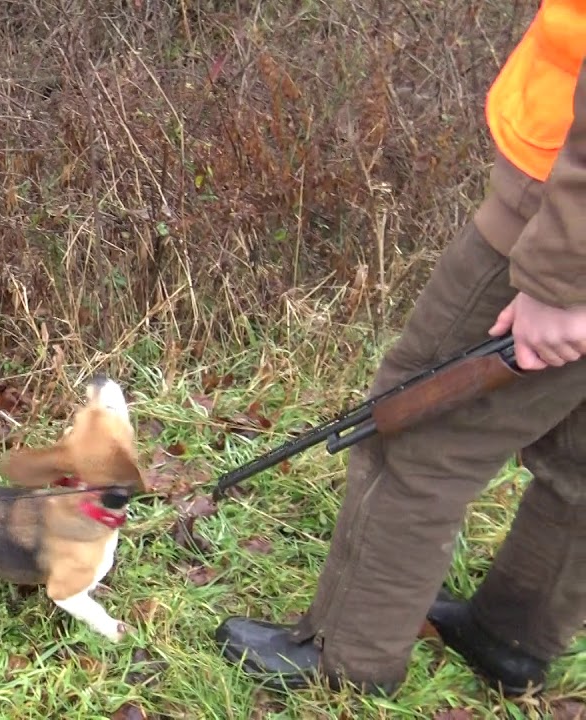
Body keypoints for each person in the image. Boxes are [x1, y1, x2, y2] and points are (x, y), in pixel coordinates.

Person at [215, 0, 586, 698]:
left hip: (557, 221)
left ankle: (347, 659)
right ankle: (514, 635)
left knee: (416, 429)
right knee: (578, 456)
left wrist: (561, 278)